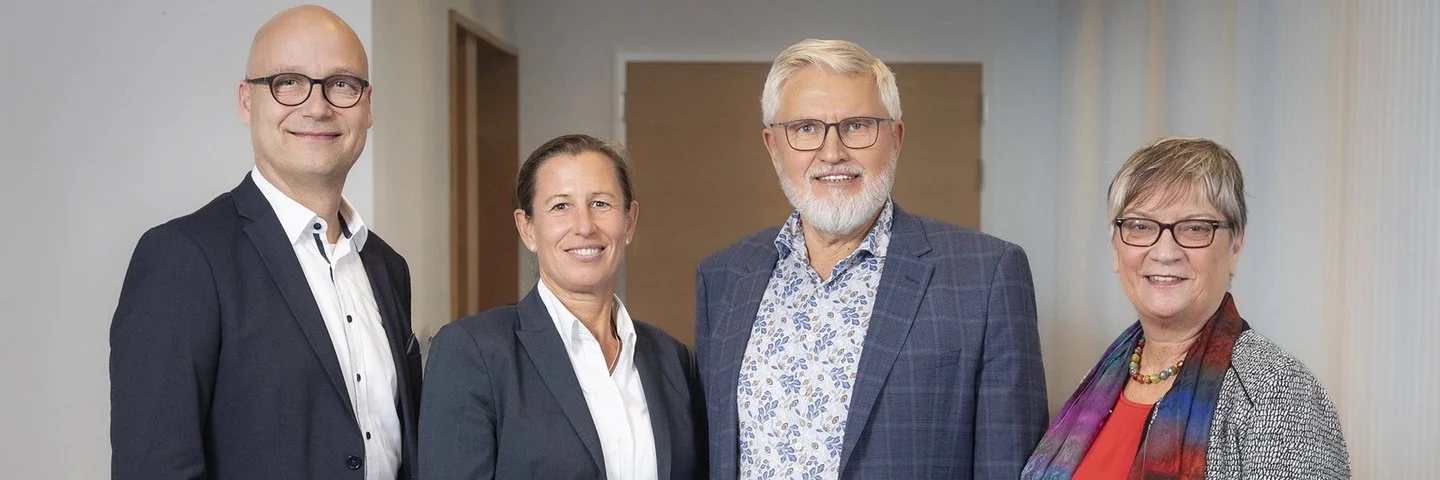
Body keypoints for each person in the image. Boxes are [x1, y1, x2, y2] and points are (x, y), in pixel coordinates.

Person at [694, 38, 1048, 479]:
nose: (832, 152)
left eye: (857, 125)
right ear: (772, 145)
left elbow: (1008, 465)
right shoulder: (724, 277)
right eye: (805, 128)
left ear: (896, 137)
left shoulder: (987, 275)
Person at [109, 6, 422, 479]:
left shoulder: (386, 266)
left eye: (341, 84)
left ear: (368, 104)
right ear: (246, 101)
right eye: (288, 82)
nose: (317, 107)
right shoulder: (183, 258)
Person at [1022, 137, 1350, 478]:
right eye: (1140, 226)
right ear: (1115, 248)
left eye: (1194, 228)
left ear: (1235, 247)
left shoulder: (1276, 393)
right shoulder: (1101, 379)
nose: (1165, 252)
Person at [419, 134, 705, 479]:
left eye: (601, 203)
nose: (584, 226)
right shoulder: (473, 351)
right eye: (561, 206)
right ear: (527, 228)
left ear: (629, 220)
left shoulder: (670, 358)